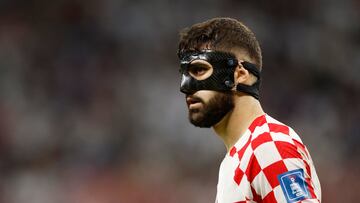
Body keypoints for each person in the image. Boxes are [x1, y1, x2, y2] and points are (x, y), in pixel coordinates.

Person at [177, 17, 321, 203]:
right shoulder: (237, 159)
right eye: (185, 74)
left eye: (199, 70)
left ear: (240, 75)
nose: (186, 87)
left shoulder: (269, 146)